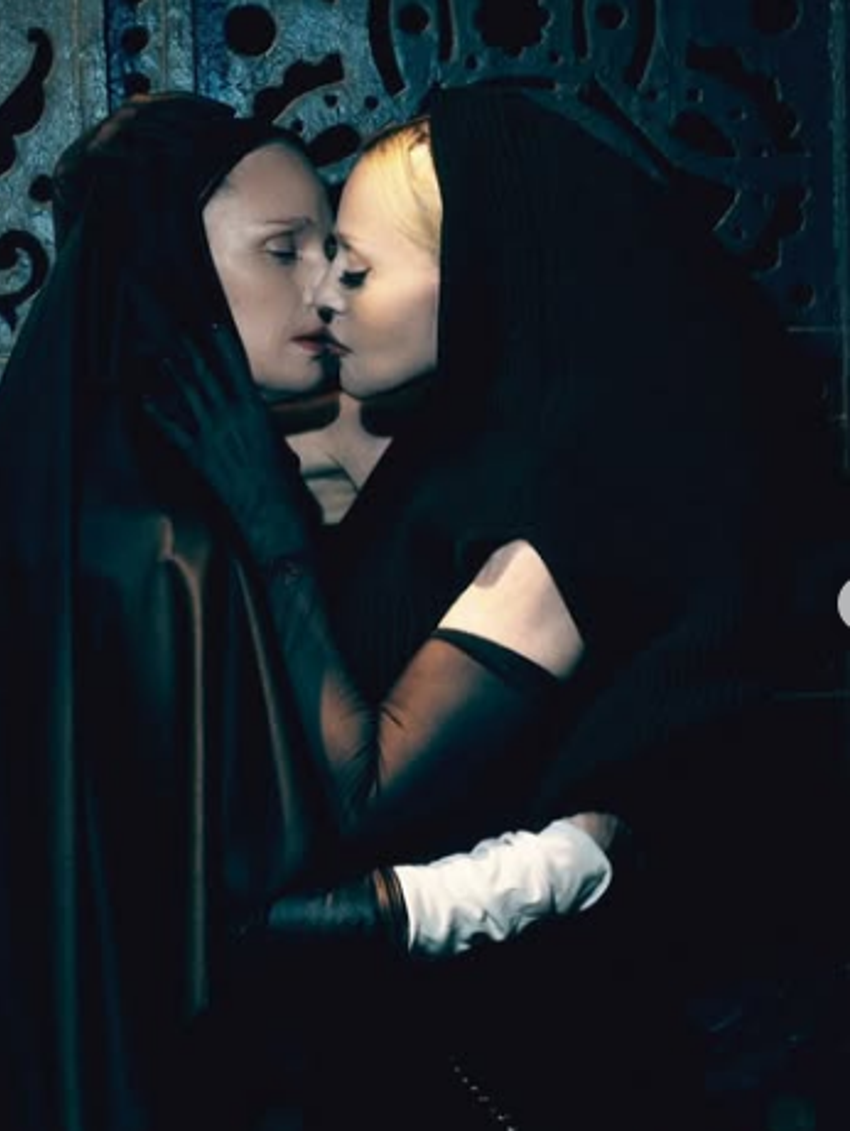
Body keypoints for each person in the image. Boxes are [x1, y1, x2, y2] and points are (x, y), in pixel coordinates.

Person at [148, 85, 849, 1129]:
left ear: (481, 274)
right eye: (305, 257)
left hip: (537, 1053)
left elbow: (368, 793)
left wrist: (264, 517)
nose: (326, 297)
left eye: (356, 268)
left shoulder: (565, 505)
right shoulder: (458, 449)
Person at [0, 91, 341, 1131]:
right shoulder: (174, 546)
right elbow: (284, 876)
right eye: (283, 250)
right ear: (169, 263)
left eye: (331, 249)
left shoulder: (49, 506)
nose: (327, 286)